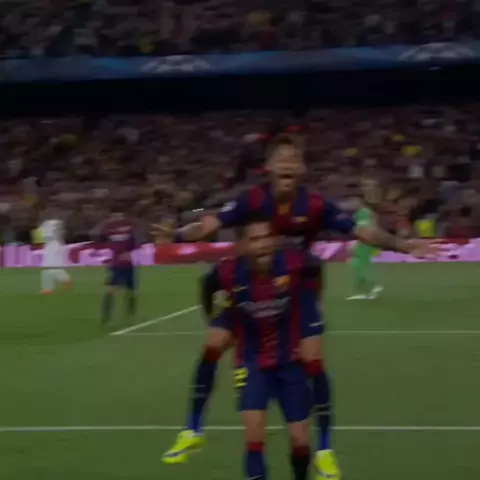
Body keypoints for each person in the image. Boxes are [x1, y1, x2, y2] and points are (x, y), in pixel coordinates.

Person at [156, 134, 437, 479]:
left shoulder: (315, 204)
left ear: (302, 168)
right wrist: (177, 235)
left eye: (294, 158)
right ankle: (193, 430)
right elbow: (210, 224)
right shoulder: (253, 199)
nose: (288, 163)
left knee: (313, 359)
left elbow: (360, 231)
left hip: (297, 290)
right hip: (252, 283)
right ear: (269, 167)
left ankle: (325, 449)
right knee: (213, 344)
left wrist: (403, 245)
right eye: (281, 158)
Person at [166, 213, 315, 480]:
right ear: (243, 245)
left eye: (267, 237)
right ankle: (193, 427)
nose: (263, 244)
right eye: (255, 239)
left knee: (300, 440)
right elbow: (207, 286)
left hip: (290, 360)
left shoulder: (292, 264)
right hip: (252, 360)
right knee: (254, 435)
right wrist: (214, 318)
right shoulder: (229, 271)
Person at [98, 208, 139, 324]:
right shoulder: (108, 230)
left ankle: (130, 311)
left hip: (128, 263)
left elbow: (134, 243)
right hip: (117, 264)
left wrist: (127, 252)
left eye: (119, 216)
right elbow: (105, 242)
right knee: (112, 289)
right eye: (115, 216)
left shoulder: (129, 229)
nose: (117, 218)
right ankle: (106, 314)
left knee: (130, 290)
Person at [347, 196, 383, 300]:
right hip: (363, 242)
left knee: (361, 265)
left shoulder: (365, 212)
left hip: (366, 242)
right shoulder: (358, 214)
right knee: (360, 265)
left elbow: (368, 228)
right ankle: (369, 289)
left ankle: (371, 287)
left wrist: (372, 240)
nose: (352, 204)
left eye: (354, 201)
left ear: (360, 202)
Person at [38, 215, 72, 294]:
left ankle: (49, 288)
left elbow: (42, 237)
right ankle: (64, 281)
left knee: (49, 267)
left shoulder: (47, 224)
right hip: (55, 245)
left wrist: (41, 242)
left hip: (52, 246)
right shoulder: (57, 223)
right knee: (50, 267)